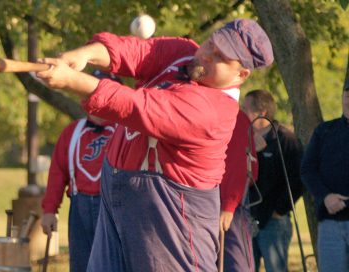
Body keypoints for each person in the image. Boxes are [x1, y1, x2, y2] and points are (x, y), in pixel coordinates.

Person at [34, 19, 274, 271]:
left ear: (241, 74)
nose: (206, 56)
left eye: (221, 58)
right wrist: (84, 54)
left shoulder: (213, 111)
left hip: (171, 218)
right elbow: (138, 52)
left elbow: (136, 107)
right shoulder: (185, 53)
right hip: (119, 194)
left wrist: (72, 81)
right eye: (211, 44)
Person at [41, 113, 115, 272]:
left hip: (112, 206)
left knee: (111, 263)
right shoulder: (72, 131)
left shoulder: (122, 131)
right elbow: (57, 173)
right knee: (81, 263)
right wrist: (49, 210)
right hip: (79, 207)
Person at [241, 90, 303, 271]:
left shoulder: (285, 139)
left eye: (246, 109)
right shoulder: (242, 138)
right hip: (246, 217)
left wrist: (280, 209)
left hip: (274, 221)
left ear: (262, 112)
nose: (242, 112)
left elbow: (298, 178)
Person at [301, 87, 349, 272]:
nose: (348, 101)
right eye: (347, 96)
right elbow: (307, 169)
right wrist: (326, 196)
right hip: (330, 223)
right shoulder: (325, 131)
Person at [219, 111, 259, 272]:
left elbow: (239, 161)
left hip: (229, 204)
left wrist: (229, 204)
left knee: (236, 264)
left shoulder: (232, 115)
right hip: (215, 200)